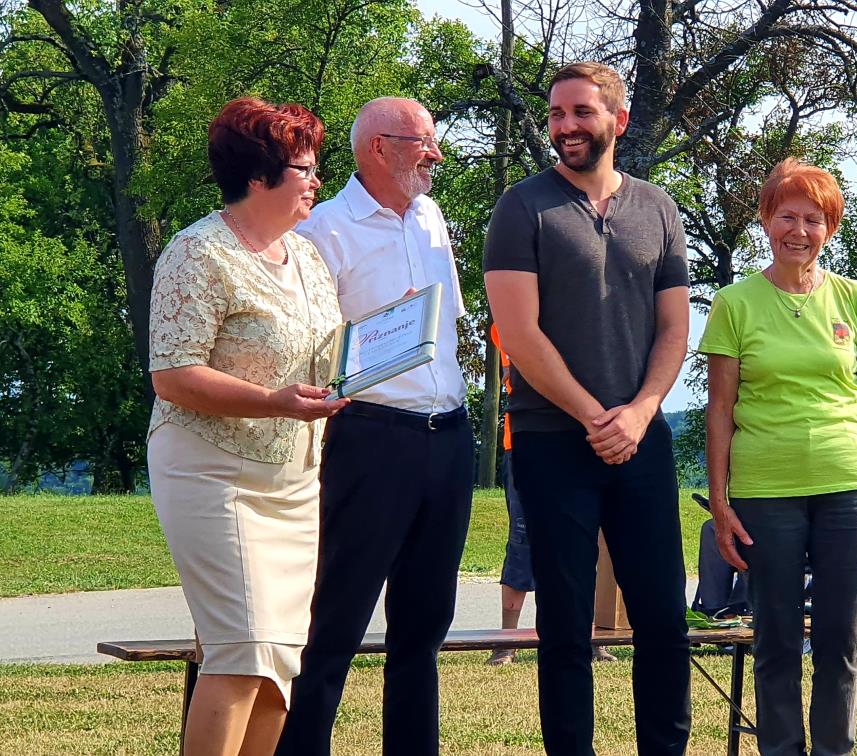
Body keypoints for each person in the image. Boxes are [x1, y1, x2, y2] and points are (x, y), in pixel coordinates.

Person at [484, 62, 692, 755]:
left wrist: (639, 412)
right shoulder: (521, 207)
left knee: (663, 619)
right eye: (556, 114)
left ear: (618, 121)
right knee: (566, 627)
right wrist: (591, 414)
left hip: (641, 439)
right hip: (550, 439)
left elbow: (674, 330)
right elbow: (519, 333)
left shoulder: (658, 209)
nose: (565, 125)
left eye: (581, 112)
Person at [146, 96, 348, 755]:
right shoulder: (197, 253)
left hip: (293, 484)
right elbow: (173, 374)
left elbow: (324, 356)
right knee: (242, 649)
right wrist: (274, 401)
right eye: (305, 169)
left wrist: (388, 341)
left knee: (276, 666)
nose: (316, 181)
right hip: (212, 476)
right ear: (259, 176)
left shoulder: (308, 258)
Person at [275, 97, 474, 756]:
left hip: (447, 435)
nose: (436, 154)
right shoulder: (323, 230)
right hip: (369, 437)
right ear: (378, 148)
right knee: (335, 622)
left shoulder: (432, 218)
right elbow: (306, 349)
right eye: (422, 142)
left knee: (424, 628)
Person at [699, 157, 857, 756]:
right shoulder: (734, 303)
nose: (799, 230)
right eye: (787, 216)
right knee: (777, 641)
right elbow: (719, 410)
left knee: (840, 642)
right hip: (765, 489)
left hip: (850, 483)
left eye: (814, 219)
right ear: (766, 220)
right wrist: (721, 502)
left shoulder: (856, 299)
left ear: (829, 229)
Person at [484, 324, 617, 667]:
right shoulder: (511, 320)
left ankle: (590, 637)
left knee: (587, 542)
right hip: (530, 441)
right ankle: (506, 643)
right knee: (524, 539)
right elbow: (522, 372)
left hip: (587, 439)